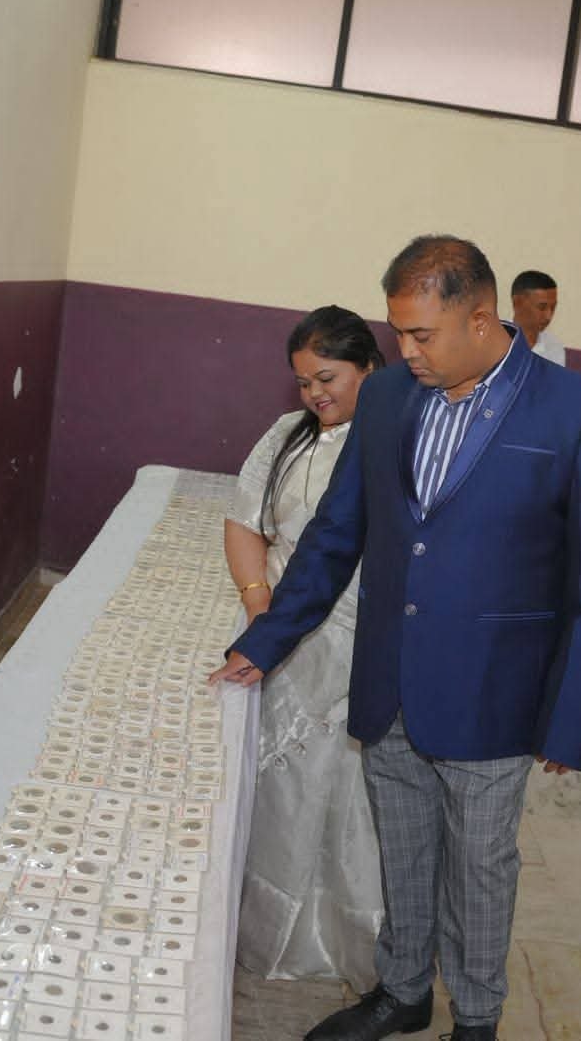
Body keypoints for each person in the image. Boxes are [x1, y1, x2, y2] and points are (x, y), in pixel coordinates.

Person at [211, 236, 581, 1041]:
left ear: (481, 318)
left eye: (420, 334)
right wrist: (265, 640)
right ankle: (403, 991)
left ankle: (476, 1020)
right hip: (390, 677)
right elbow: (337, 532)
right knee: (400, 844)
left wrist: (571, 715)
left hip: (495, 690)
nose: (404, 351)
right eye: (398, 332)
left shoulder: (578, 410)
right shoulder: (389, 397)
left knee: (480, 865)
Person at [224, 305, 387, 989]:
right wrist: (260, 604)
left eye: (328, 378)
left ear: (369, 369)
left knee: (338, 785)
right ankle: (258, 924)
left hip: (351, 629)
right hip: (282, 620)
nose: (314, 394)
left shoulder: (391, 442)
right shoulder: (286, 435)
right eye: (303, 382)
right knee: (276, 782)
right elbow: (244, 521)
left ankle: (340, 934)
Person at [509, 269, 564, 367]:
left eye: (553, 307)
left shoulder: (554, 348)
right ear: (517, 303)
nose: (548, 316)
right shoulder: (493, 341)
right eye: (542, 307)